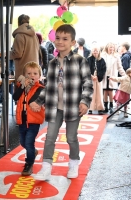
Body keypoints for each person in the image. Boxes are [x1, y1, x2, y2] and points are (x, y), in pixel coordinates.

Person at [30, 24, 93, 180]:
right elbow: (48, 86)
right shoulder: (51, 63)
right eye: (58, 38)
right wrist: (38, 101)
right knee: (49, 137)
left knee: (71, 137)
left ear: (72, 42)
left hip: (73, 107)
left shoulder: (80, 60)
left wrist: (85, 102)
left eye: (65, 39)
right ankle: (46, 167)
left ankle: (73, 164)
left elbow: (87, 83)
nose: (60, 41)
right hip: (54, 107)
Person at [13, 61, 45, 176]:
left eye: (35, 73)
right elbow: (15, 97)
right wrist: (22, 87)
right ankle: (33, 152)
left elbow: (34, 100)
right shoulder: (21, 87)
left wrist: (29, 88)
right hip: (22, 120)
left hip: (33, 121)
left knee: (29, 142)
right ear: (24, 75)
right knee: (22, 142)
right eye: (29, 73)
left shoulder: (41, 89)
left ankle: (29, 163)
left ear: (39, 76)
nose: (32, 76)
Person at [10, 14, 40, 85]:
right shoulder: (34, 35)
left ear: (18, 23)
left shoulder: (19, 35)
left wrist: (7, 54)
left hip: (23, 70)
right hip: (34, 69)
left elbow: (18, 53)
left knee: (22, 93)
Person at [101, 42, 126, 113]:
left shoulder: (116, 56)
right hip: (104, 75)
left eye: (113, 47)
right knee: (105, 90)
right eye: (110, 47)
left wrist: (124, 75)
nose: (111, 48)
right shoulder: (102, 55)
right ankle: (105, 105)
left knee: (111, 91)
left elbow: (120, 67)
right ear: (107, 47)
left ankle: (111, 105)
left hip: (112, 75)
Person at [87, 45, 106, 115]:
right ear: (92, 51)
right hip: (91, 78)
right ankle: (90, 108)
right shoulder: (88, 59)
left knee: (99, 94)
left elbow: (103, 69)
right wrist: (91, 76)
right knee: (91, 93)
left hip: (98, 78)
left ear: (99, 52)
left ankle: (100, 108)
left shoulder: (102, 60)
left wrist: (98, 76)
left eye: (96, 51)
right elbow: (86, 68)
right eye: (94, 51)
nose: (95, 52)